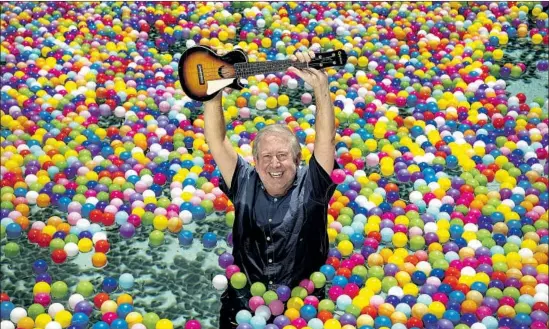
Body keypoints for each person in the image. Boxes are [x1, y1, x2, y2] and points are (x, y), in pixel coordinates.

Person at [203, 50, 338, 329]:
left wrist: (321, 88)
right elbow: (216, 140)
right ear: (255, 161)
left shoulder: (312, 186)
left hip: (303, 308)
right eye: (266, 157)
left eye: (282, 156)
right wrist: (213, 92)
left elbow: (327, 139)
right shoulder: (244, 181)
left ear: (298, 160)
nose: (274, 163)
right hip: (244, 302)